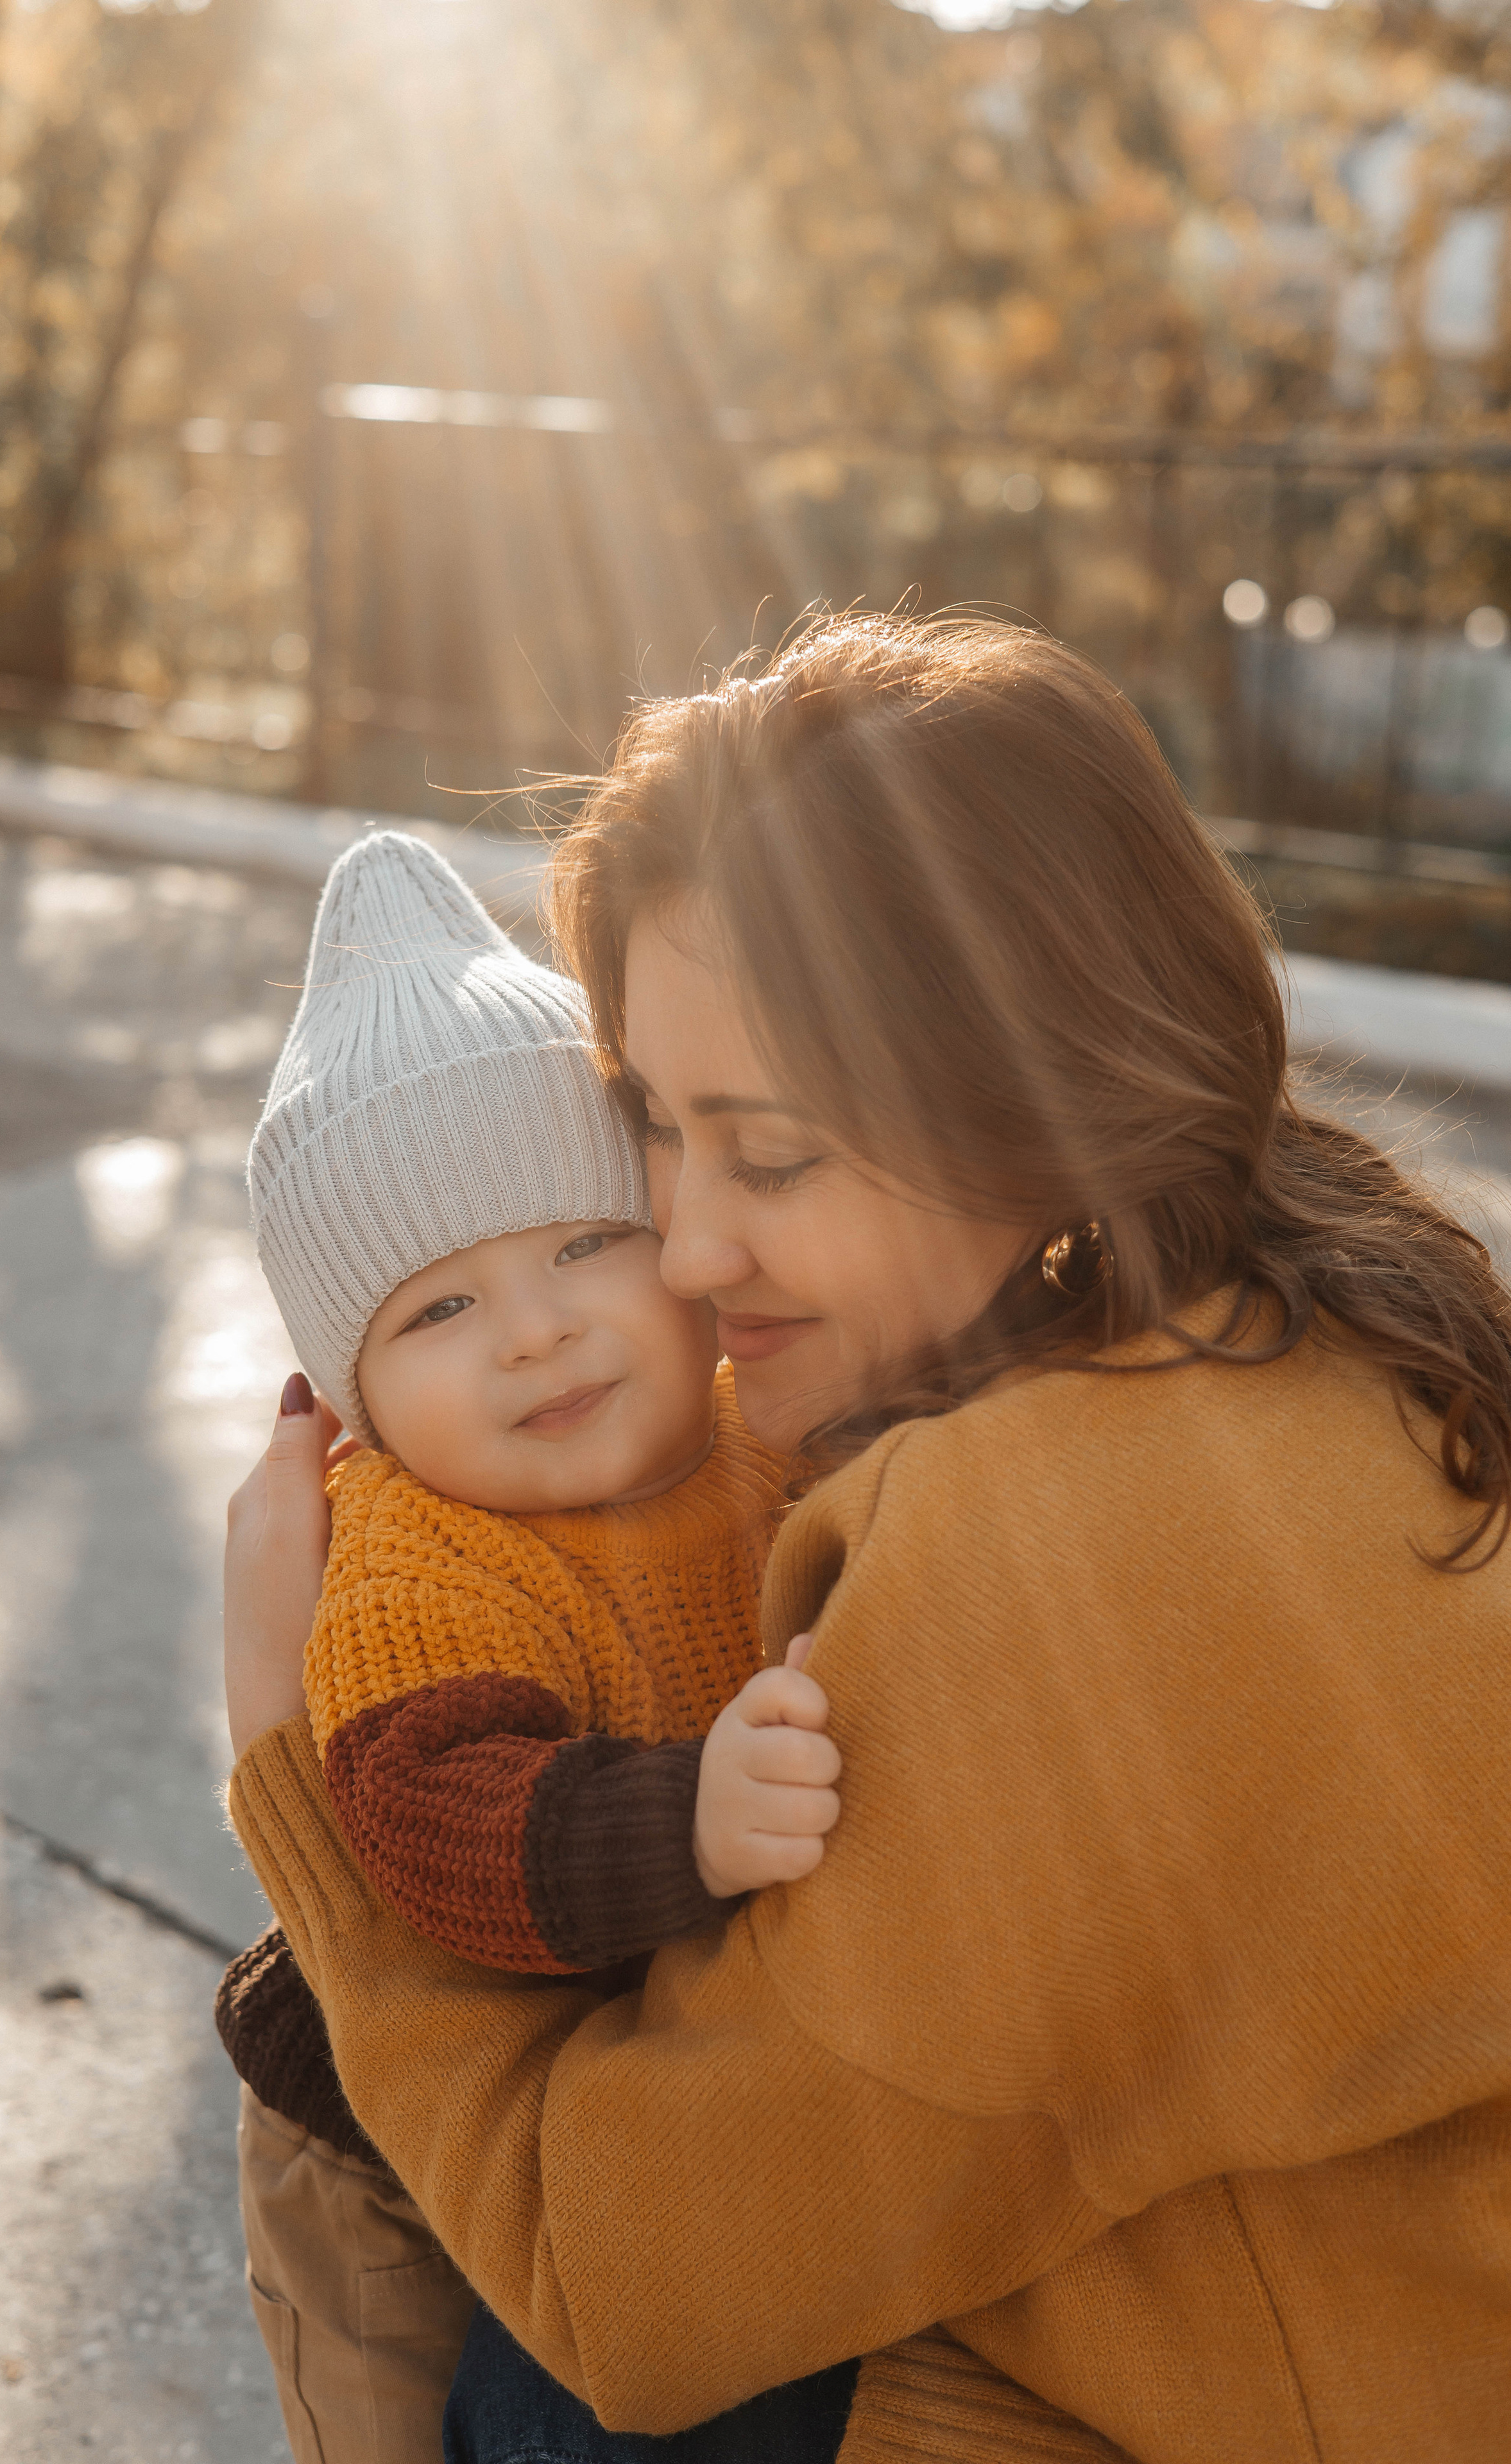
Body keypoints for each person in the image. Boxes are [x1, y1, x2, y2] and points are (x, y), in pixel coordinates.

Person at [224, 613, 1511, 2463]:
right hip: (1336, 2323)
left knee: (525, 2380)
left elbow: (614, 2285)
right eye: (658, 1131)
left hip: (1266, 2394)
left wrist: (295, 1758)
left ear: (1033, 1094)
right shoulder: (1321, 1315)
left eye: (778, 1153)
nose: (683, 1249)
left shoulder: (1042, 1547)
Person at [215, 828, 846, 2462]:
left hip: (741, 2092)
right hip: (482, 2139)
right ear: (354, 1401)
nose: (536, 1328)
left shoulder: (766, 1428)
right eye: (437, 1310)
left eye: (585, 1243)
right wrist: (688, 1817)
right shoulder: (425, 1546)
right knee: (542, 2409)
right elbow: (433, 1814)